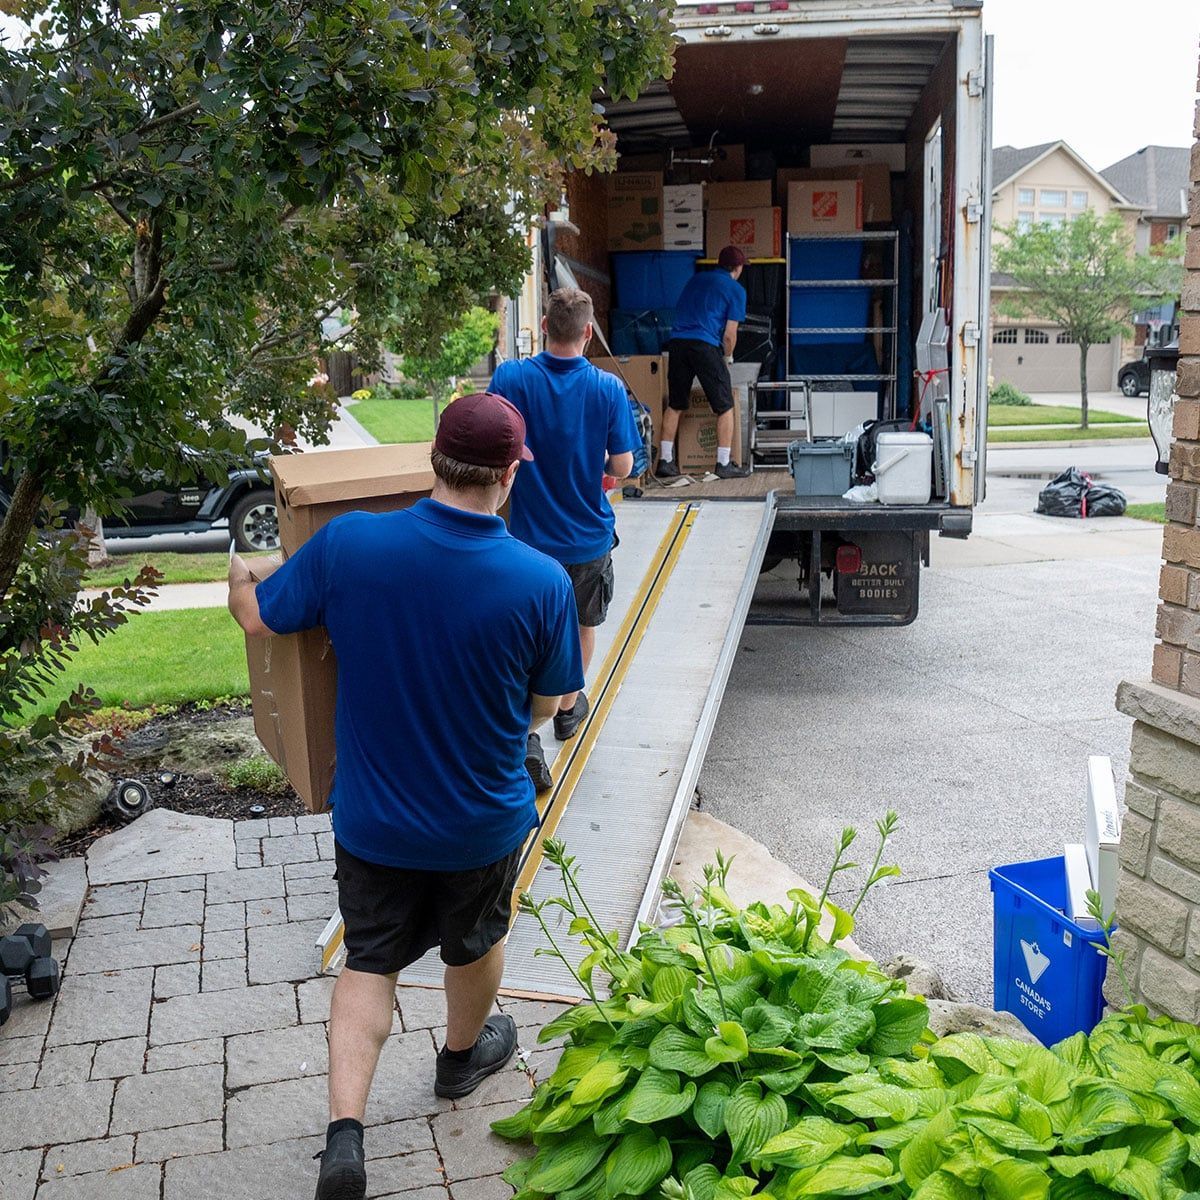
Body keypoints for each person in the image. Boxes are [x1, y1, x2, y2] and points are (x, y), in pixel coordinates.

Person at [227, 393, 584, 1200]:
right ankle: (461, 1059)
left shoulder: (351, 545)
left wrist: (238, 572)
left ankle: (345, 1139)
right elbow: (549, 704)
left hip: (374, 819)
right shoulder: (541, 580)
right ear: (508, 475)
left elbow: (259, 618)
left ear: (433, 459)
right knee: (476, 938)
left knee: (370, 959)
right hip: (481, 823)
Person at [490, 287, 641, 791]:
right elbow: (623, 466)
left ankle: (526, 736)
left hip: (526, 543)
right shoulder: (607, 389)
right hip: (586, 541)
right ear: (588, 332)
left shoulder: (511, 378)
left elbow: (494, 440)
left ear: (543, 324)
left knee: (526, 638)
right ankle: (568, 710)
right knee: (581, 624)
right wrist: (592, 463)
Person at [657, 244, 751, 480]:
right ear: (738, 268)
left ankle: (665, 461)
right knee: (725, 405)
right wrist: (728, 356)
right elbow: (730, 334)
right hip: (705, 344)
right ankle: (723, 463)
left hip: (678, 343)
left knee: (676, 403)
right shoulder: (736, 289)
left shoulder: (695, 280)